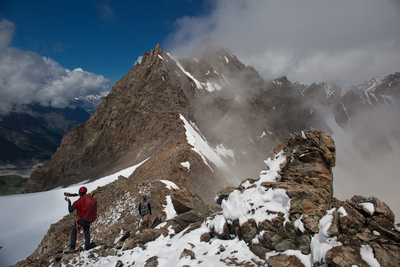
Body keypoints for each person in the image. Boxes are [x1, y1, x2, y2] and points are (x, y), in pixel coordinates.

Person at [65, 186, 92, 252]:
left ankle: (72, 247)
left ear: (79, 193)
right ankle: (87, 246)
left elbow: (70, 210)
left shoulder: (77, 202)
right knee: (86, 232)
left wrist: (69, 202)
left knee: (74, 232)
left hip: (80, 220)